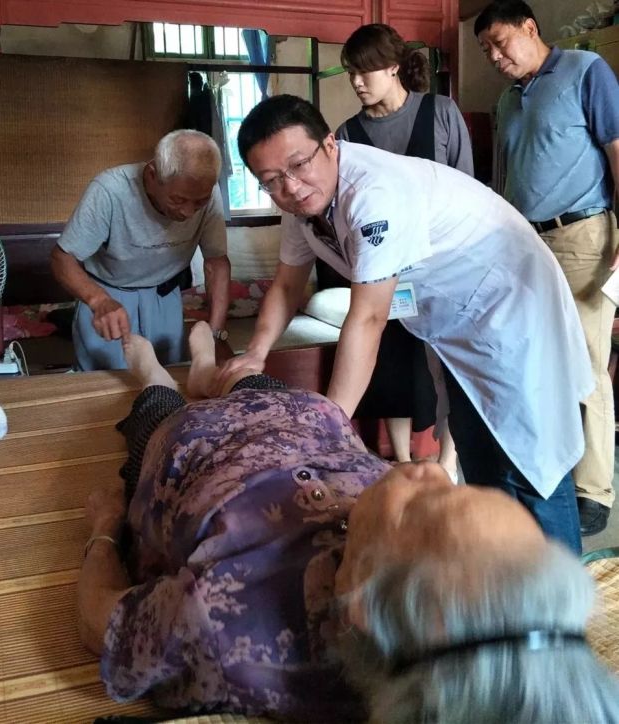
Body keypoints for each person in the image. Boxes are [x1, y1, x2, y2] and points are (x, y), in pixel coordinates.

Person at [78, 327, 619, 721]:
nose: (431, 470)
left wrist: (104, 531)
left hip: (192, 448)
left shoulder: (223, 622)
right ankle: (206, 366)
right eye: (457, 488)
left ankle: (154, 372)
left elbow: (98, 620)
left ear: (362, 598)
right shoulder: (417, 596)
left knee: (158, 403)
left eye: (421, 505)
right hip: (306, 421)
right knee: (245, 377)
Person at [218, 93, 593, 555]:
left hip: (512, 308)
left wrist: (327, 428)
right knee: (478, 451)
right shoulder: (304, 206)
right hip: (457, 324)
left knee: (530, 465)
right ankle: (502, 574)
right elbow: (286, 285)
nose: (291, 187)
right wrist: (255, 353)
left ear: (330, 145)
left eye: (298, 165)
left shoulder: (374, 193)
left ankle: (561, 585)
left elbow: (368, 317)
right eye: (272, 180)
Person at [474, 0, 619, 536]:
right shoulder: (508, 99)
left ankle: (594, 488)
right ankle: (550, 468)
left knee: (586, 360)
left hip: (581, 235)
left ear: (530, 28)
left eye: (499, 42)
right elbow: (505, 177)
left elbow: (618, 150)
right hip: (524, 243)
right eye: (485, 49)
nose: (494, 56)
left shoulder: (585, 71)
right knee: (532, 362)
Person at [333, 22, 475, 479]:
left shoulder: (440, 111)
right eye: (351, 73)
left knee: (449, 365)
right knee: (392, 362)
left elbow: (467, 190)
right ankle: (402, 461)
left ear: (393, 67)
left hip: (444, 267)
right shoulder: (348, 134)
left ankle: (447, 465)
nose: (356, 81)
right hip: (386, 270)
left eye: (365, 70)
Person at [51, 129, 231, 371]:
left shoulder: (208, 192)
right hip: (109, 296)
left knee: (170, 378)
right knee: (107, 380)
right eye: (178, 200)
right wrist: (98, 300)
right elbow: (62, 258)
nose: (188, 212)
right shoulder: (110, 190)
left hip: (164, 296)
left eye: (199, 202)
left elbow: (216, 263)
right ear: (153, 175)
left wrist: (216, 334)